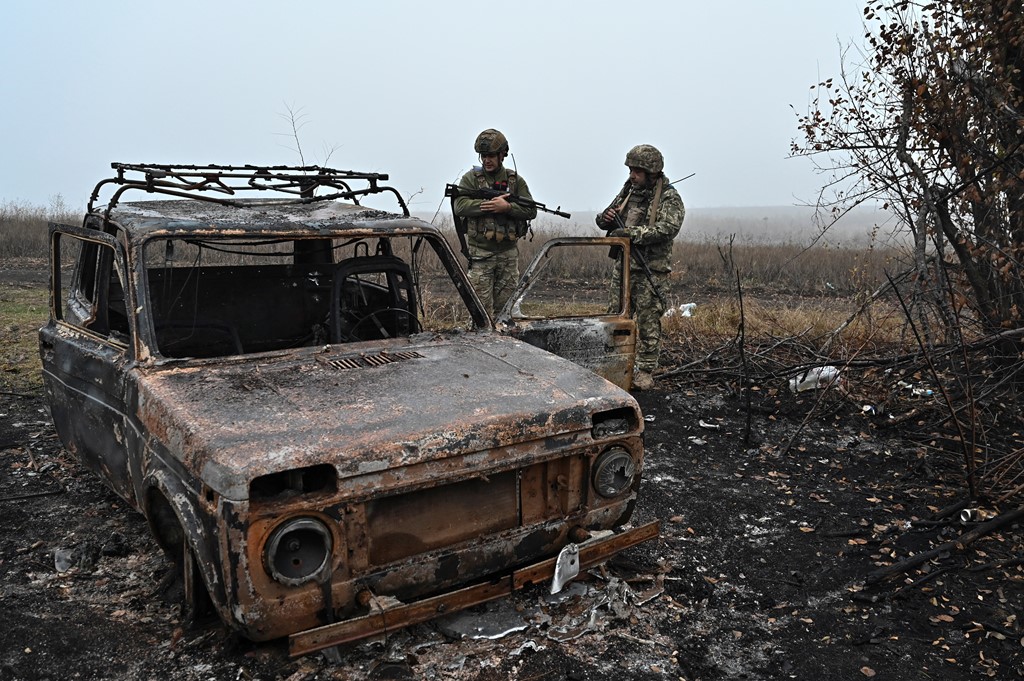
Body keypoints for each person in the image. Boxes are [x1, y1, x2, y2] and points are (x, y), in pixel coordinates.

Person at [596, 144, 685, 391]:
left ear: (652, 172)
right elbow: (607, 216)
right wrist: (605, 218)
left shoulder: (669, 197)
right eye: (631, 170)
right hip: (623, 265)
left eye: (637, 171)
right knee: (615, 317)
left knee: (648, 322)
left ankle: (644, 370)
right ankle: (614, 365)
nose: (632, 175)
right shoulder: (629, 191)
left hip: (651, 269)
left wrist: (632, 233)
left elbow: (668, 228)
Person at [453, 129, 538, 318]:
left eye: (491, 156)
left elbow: (531, 209)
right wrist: (489, 206)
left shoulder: (515, 181)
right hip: (481, 255)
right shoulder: (471, 179)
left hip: (508, 255)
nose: (486, 160)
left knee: (506, 313)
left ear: (502, 155)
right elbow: (459, 205)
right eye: (483, 156)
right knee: (479, 314)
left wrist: (507, 208)